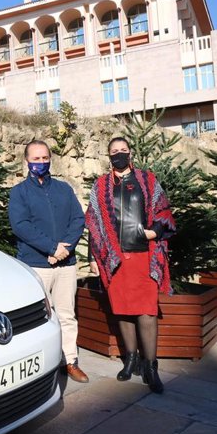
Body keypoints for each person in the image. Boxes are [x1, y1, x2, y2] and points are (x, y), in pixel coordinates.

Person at [85, 137, 175, 394]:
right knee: (123, 310)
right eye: (114, 151)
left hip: (144, 256)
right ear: (108, 156)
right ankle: (131, 360)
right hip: (115, 258)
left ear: (130, 153)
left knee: (146, 311)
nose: (119, 154)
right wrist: (94, 257)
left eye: (123, 150)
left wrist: (154, 233)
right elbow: (94, 222)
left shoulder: (147, 180)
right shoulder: (100, 186)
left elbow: (164, 212)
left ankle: (151, 366)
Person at [8, 140, 89, 383]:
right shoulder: (19, 192)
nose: (41, 163)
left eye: (45, 158)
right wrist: (51, 248)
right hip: (36, 263)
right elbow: (20, 226)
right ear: (27, 161)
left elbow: (78, 219)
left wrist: (64, 248)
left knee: (66, 314)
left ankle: (70, 361)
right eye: (36, 159)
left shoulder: (64, 189)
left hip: (66, 264)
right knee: (37, 318)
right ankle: (41, 367)